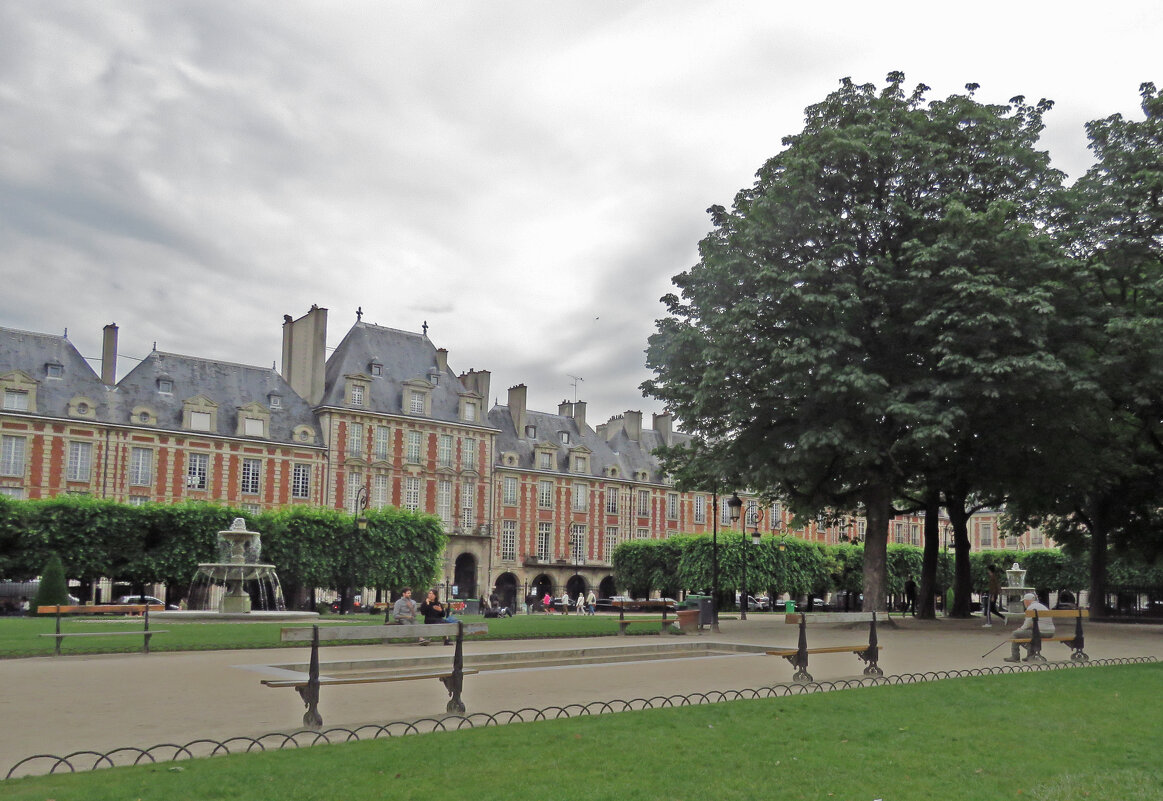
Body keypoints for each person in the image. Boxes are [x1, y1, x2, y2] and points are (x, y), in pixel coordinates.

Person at [1005, 592, 1055, 662]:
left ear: (1027, 601)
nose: (1024, 604)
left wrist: (1021, 629)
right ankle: (1030, 655)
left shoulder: (1031, 608)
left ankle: (1015, 656)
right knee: (1028, 634)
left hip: (1040, 632)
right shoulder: (1043, 606)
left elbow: (1028, 622)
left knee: (1015, 634)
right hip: (1050, 632)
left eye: (1024, 602)